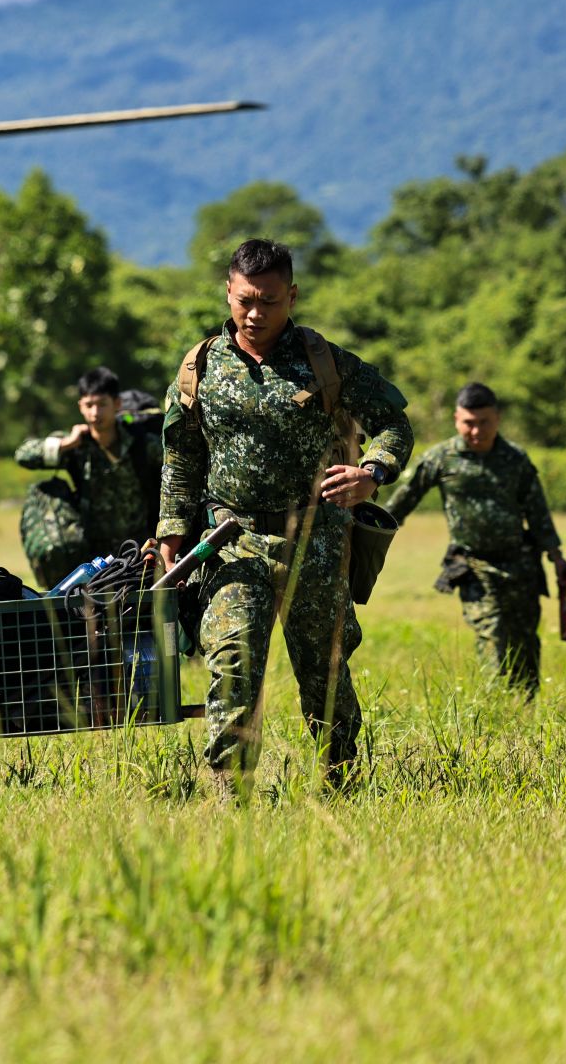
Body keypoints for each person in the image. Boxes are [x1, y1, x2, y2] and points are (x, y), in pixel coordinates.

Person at [157, 239, 413, 796]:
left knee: (325, 677)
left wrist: (373, 470)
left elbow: (394, 423)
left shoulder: (326, 361)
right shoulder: (199, 367)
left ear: (291, 296)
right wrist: (173, 530)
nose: (255, 313)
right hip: (232, 537)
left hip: (315, 539)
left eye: (270, 301)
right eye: (245, 299)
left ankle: (341, 784)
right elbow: (181, 458)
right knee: (232, 663)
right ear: (227, 291)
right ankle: (231, 794)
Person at [383, 383, 566, 698]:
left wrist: (555, 555)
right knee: (492, 634)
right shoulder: (441, 458)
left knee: (524, 641)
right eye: (469, 422)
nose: (477, 430)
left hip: (521, 565)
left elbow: (537, 510)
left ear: (497, 418)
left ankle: (525, 709)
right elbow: (401, 504)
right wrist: (368, 534)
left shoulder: (515, 459)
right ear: (456, 419)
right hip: (473, 566)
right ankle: (497, 704)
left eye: (485, 422)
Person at [14, 366, 162, 587]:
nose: (95, 413)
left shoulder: (142, 444)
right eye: (89, 405)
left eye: (102, 404)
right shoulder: (77, 447)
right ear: (80, 407)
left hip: (138, 550)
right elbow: (23, 455)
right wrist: (66, 444)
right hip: (94, 558)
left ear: (117, 404)